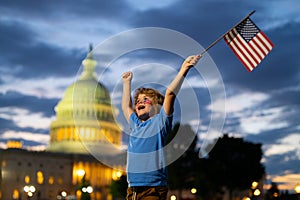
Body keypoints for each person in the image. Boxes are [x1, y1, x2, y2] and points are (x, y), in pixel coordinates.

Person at [122, 54, 201, 200]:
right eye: (138, 100)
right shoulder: (136, 124)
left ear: (157, 106)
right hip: (132, 188)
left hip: (153, 187)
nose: (140, 102)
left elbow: (170, 94)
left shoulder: (160, 122)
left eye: (146, 99)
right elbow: (126, 106)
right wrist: (127, 83)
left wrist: (184, 68)